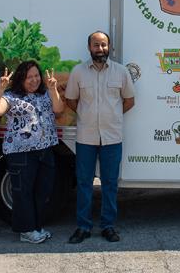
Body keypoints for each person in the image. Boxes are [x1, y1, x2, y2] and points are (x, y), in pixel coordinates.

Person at [65, 31, 135, 244]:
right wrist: (88, 117)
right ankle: (83, 227)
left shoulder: (121, 72)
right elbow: (71, 100)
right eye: (96, 45)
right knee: (84, 182)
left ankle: (108, 226)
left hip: (112, 138)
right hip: (86, 137)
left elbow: (129, 101)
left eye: (104, 45)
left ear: (109, 47)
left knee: (110, 184)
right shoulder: (78, 72)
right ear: (89, 48)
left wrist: (111, 116)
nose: (100, 49)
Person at [0, 61, 64, 243]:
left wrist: (53, 89)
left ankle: (36, 227)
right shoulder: (11, 97)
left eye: (36, 76)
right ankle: (26, 231)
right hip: (21, 153)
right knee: (23, 193)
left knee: (42, 192)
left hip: (45, 150)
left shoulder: (45, 94)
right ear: (21, 78)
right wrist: (0, 88)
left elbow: (59, 110)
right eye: (29, 77)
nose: (34, 80)